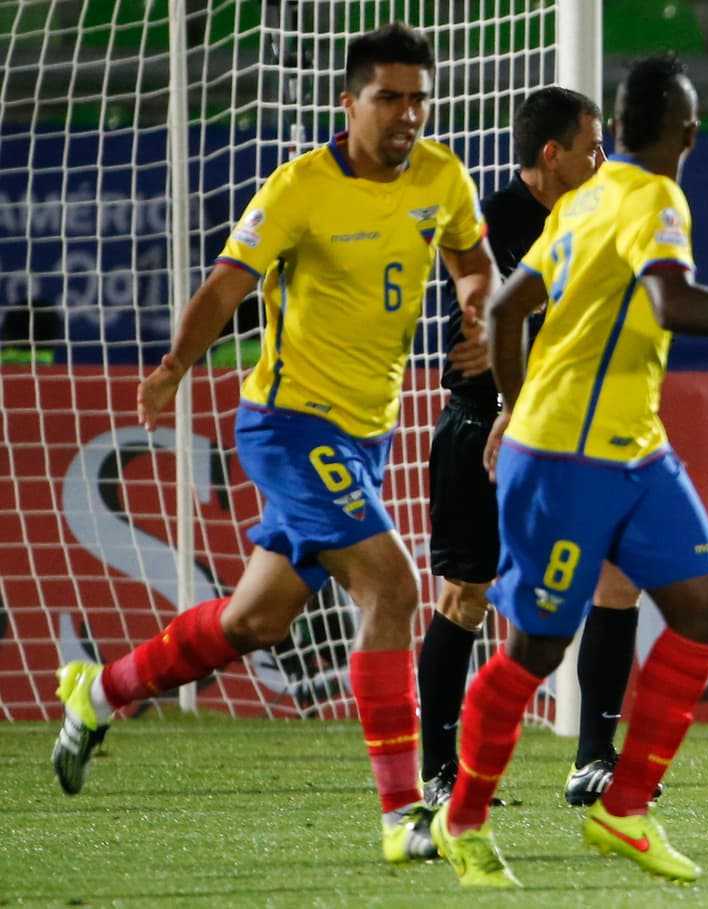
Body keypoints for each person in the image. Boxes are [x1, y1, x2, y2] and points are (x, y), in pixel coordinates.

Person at [50, 23, 499, 864]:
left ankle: (100, 694)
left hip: (368, 432)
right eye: (388, 98)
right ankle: (403, 814)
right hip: (290, 424)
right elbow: (227, 284)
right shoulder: (300, 187)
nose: (406, 115)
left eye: (417, 99)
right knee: (392, 590)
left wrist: (475, 308)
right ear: (349, 103)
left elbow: (474, 261)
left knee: (256, 621)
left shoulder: (442, 175)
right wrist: (176, 366)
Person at [427, 53, 708, 888]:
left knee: (702, 610)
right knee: (537, 645)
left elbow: (510, 306)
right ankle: (461, 816)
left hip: (633, 448)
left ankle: (624, 807)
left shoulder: (585, 199)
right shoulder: (654, 197)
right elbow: (668, 301)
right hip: (566, 458)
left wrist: (512, 401)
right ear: (689, 131)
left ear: (615, 129)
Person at [418, 85, 655, 810]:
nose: (604, 158)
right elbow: (469, 344)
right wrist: (507, 407)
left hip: (578, 435)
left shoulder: (604, 218)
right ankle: (437, 767)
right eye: (592, 147)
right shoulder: (488, 225)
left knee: (619, 577)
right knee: (467, 597)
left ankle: (594, 757)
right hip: (485, 428)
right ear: (552, 155)